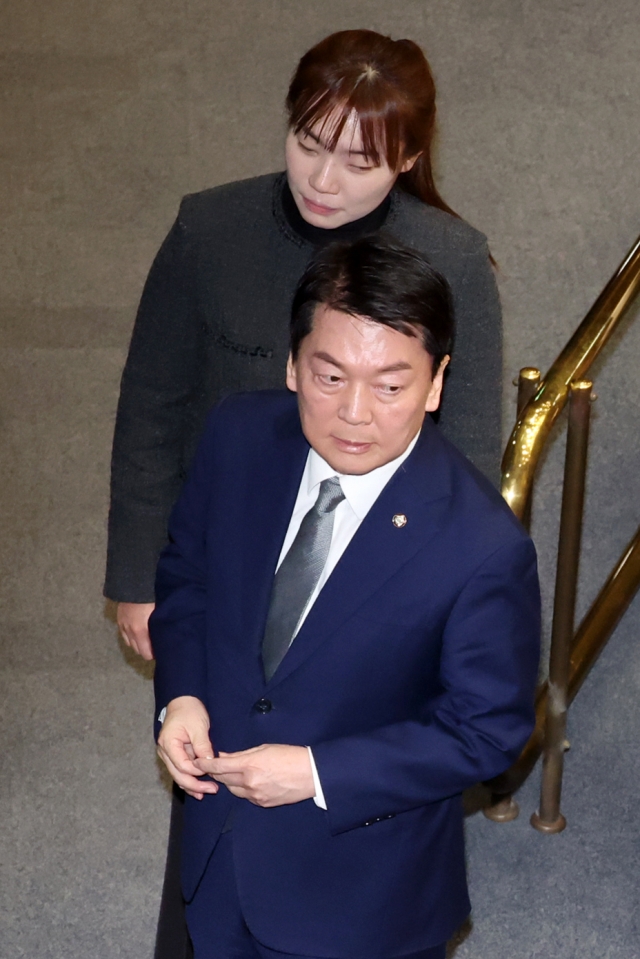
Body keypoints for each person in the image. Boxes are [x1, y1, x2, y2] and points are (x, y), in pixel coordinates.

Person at [105, 28, 503, 958]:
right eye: (307, 143)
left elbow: (472, 461)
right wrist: (139, 578)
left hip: (367, 577)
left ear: (407, 157)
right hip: (233, 560)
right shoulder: (209, 229)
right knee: (212, 772)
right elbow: (152, 405)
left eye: (359, 160)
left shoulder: (451, 257)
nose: (324, 178)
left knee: (344, 805)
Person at [151, 235, 540, 959]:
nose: (355, 413)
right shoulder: (238, 435)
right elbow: (189, 576)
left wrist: (317, 771)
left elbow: (489, 730)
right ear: (294, 365)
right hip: (216, 857)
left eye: (391, 385)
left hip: (359, 902)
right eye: (330, 376)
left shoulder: (482, 547)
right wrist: (183, 696)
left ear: (436, 382)